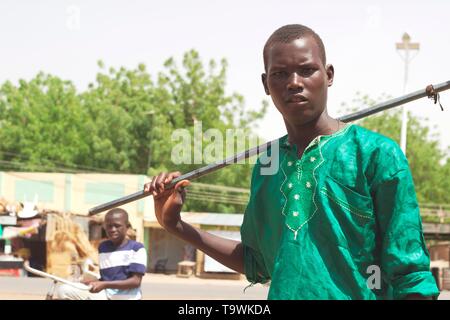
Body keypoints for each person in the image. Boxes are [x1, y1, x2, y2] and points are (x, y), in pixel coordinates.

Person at [144, 24, 439, 300]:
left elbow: (412, 276)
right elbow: (256, 260)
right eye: (280, 74)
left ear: (329, 75)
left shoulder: (376, 154)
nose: (294, 83)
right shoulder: (267, 165)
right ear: (265, 83)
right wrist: (176, 226)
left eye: (307, 70)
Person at [55, 208, 147, 300]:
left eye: (117, 226)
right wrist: (93, 283)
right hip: (106, 295)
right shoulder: (103, 247)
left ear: (127, 227)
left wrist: (104, 284)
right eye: (109, 226)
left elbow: (136, 281)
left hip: (128, 298)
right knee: (64, 290)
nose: (112, 229)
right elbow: (106, 279)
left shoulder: (137, 248)